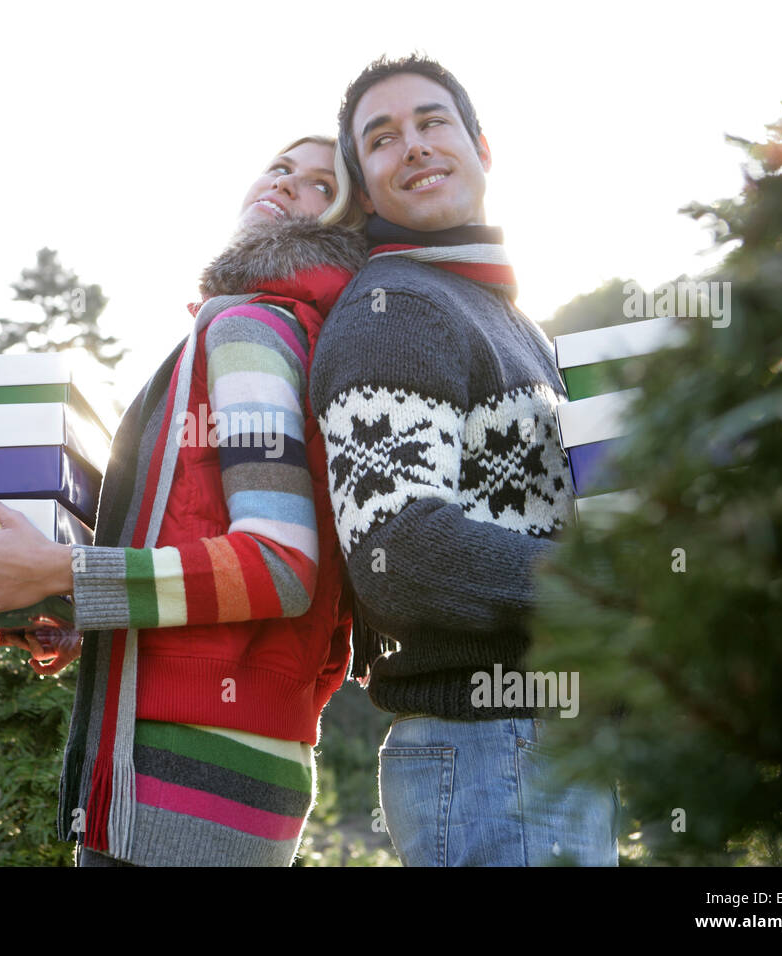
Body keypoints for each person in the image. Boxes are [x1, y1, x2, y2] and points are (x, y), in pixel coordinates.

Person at [0, 136, 368, 866]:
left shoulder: (252, 329)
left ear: (346, 227)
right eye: (281, 166)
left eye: (320, 184)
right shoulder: (256, 328)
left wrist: (65, 572)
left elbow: (280, 565)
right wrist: (77, 620)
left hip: (190, 776)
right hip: (206, 767)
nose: (287, 184)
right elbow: (202, 542)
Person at [308, 55, 619, 867]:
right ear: (366, 192)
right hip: (488, 749)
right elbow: (396, 551)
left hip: (544, 744)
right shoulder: (397, 307)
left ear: (483, 146)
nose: (413, 145)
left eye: (432, 121)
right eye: (382, 138)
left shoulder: (509, 321)